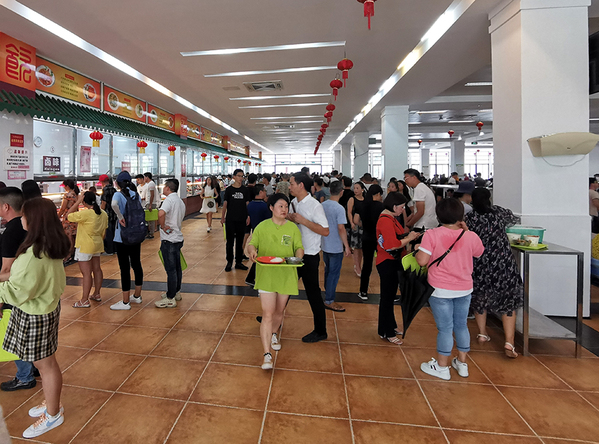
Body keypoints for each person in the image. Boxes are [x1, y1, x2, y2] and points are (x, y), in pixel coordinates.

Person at [0, 197, 71, 438]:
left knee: (45, 365)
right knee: (46, 362)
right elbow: (22, 279)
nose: (21, 218)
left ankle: (53, 414)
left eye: (24, 215)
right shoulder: (50, 245)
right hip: (46, 308)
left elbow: (18, 291)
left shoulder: (33, 254)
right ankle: (51, 403)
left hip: (35, 314)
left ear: (33, 219)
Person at [416, 198, 484, 380]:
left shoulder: (432, 234)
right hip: (464, 288)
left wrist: (417, 250)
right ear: (461, 216)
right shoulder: (470, 236)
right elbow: (479, 252)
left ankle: (442, 367)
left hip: (440, 289)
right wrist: (467, 231)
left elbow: (422, 261)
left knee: (445, 328)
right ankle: (462, 364)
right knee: (461, 325)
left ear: (439, 216)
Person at [247, 193, 304, 369]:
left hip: (286, 275)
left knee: (279, 311)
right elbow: (252, 243)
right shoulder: (262, 226)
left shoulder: (293, 228)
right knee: (267, 313)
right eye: (280, 206)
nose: (284, 209)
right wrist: (252, 251)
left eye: (286, 206)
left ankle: (273, 333)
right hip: (266, 274)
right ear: (271, 208)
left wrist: (298, 257)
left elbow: (298, 247)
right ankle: (267, 355)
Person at [465, 188, 523, 358]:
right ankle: (509, 342)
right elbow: (515, 219)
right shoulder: (499, 213)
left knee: (480, 297)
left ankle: (482, 333)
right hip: (503, 263)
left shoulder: (470, 217)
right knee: (508, 300)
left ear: (472, 200)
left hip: (480, 262)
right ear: (489, 198)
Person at [0, 188, 39, 392]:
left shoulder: (11, 232)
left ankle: (24, 376)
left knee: (14, 332)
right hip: (33, 289)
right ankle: (34, 366)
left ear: (6, 206)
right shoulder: (30, 226)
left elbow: (7, 270)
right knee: (27, 331)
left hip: (15, 291)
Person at [289, 172, 329, 343]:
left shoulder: (314, 205)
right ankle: (273, 318)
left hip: (309, 255)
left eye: (292, 184)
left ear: (301, 185)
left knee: (313, 294)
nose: (289, 187)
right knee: (284, 288)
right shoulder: (293, 202)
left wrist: (303, 221)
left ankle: (321, 331)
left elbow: (325, 230)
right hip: (294, 253)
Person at [376, 193, 421, 344]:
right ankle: (387, 331)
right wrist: (409, 238)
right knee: (387, 298)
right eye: (402, 207)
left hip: (393, 261)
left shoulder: (391, 218)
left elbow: (397, 237)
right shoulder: (386, 220)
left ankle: (388, 326)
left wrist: (409, 236)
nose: (403, 210)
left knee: (388, 297)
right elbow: (392, 245)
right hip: (387, 262)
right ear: (394, 206)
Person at [67, 191, 108, 308]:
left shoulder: (86, 214)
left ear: (84, 201)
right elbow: (104, 232)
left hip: (85, 245)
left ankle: (84, 300)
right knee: (97, 269)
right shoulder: (103, 213)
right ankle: (97, 293)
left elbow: (68, 215)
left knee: (86, 274)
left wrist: (78, 202)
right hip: (97, 244)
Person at [110, 171, 144, 310]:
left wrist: (120, 216)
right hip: (136, 234)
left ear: (117, 183)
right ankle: (137, 296)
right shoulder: (135, 194)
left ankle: (125, 302)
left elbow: (113, 204)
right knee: (136, 264)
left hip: (122, 237)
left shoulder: (118, 194)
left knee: (124, 267)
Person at [155, 179, 186, 308]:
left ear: (168, 188)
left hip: (169, 239)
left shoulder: (169, 200)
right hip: (177, 237)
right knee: (177, 268)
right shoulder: (180, 201)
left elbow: (161, 213)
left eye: (164, 186)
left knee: (171, 269)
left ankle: (170, 297)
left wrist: (162, 226)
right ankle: (176, 291)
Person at [321, 180, 351, 312]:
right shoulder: (339, 208)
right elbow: (341, 228)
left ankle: (328, 292)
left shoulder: (322, 205)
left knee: (328, 270)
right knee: (334, 274)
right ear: (341, 192)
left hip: (325, 243)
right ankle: (329, 300)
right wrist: (346, 246)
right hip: (336, 246)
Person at [358, 185, 386, 301]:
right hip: (379, 239)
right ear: (378, 194)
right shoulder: (381, 207)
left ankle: (363, 291)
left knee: (367, 265)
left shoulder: (363, 205)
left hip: (366, 238)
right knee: (383, 265)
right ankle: (387, 292)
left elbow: (358, 221)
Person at [221, 169, 250, 272]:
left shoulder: (245, 190)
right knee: (230, 242)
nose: (241, 178)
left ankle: (238, 262)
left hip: (242, 219)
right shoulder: (229, 190)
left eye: (242, 176)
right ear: (234, 177)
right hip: (230, 219)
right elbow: (225, 204)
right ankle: (229, 262)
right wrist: (222, 217)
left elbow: (247, 204)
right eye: (239, 176)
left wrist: (248, 216)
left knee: (240, 241)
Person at [245, 185, 272, 286]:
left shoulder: (250, 205)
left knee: (260, 254)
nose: (265, 193)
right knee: (262, 255)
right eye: (264, 191)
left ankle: (252, 277)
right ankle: (250, 278)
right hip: (265, 234)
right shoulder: (265, 206)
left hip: (255, 232)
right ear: (260, 192)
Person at [57, 179, 80, 263]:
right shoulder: (76, 194)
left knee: (68, 236)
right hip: (75, 217)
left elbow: (63, 208)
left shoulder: (67, 195)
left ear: (67, 186)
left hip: (68, 218)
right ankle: (73, 253)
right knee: (74, 236)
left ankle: (68, 255)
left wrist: (58, 216)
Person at [347, 182, 366, 281]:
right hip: (355, 225)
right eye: (354, 188)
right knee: (356, 247)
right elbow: (349, 212)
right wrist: (351, 223)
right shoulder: (352, 199)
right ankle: (357, 266)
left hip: (363, 225)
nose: (355, 190)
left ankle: (359, 265)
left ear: (362, 189)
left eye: (357, 188)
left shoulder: (366, 200)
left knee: (362, 247)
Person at [99, 174, 117, 255]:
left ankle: (109, 250)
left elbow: (104, 203)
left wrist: (100, 212)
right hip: (114, 213)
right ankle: (115, 249)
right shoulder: (114, 189)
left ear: (102, 182)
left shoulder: (105, 190)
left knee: (108, 232)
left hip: (107, 214)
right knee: (114, 231)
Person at [143, 172, 160, 239]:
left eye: (144, 177)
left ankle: (151, 234)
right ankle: (150, 233)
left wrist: (150, 204)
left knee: (151, 219)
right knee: (149, 219)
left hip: (151, 203)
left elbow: (152, 195)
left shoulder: (151, 184)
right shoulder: (149, 184)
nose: (144, 178)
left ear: (147, 177)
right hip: (149, 203)